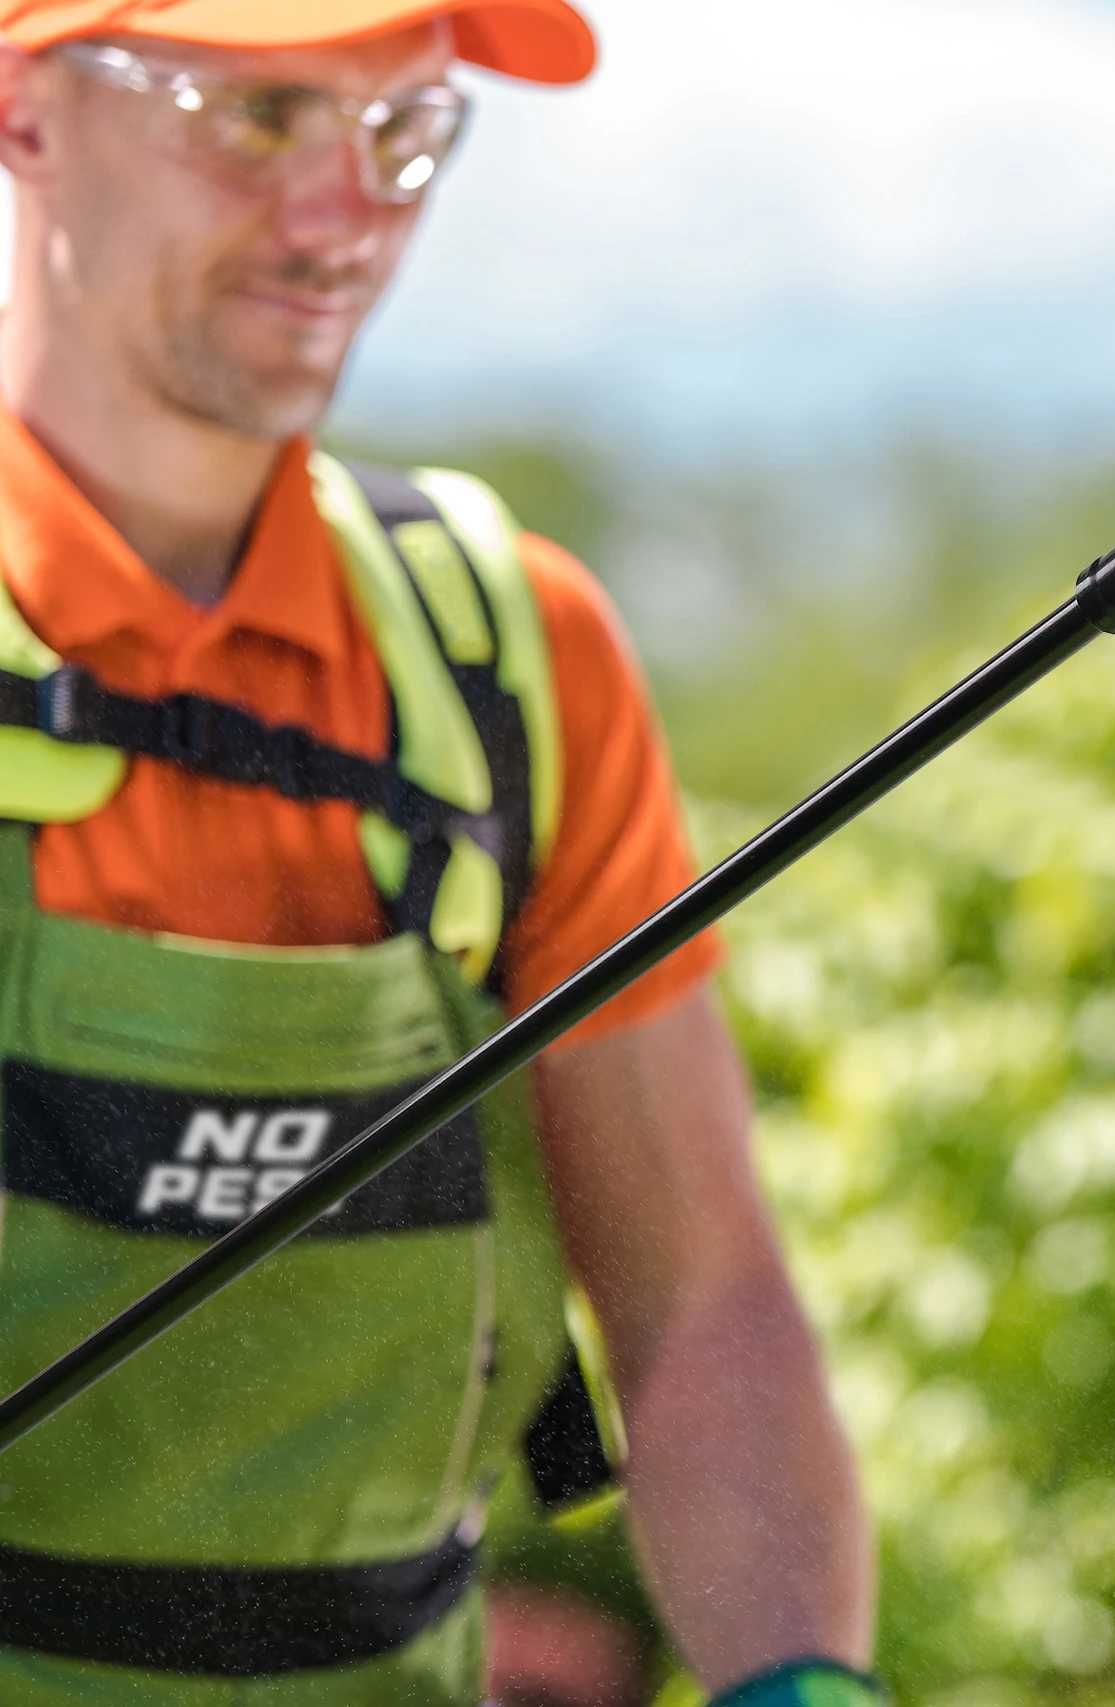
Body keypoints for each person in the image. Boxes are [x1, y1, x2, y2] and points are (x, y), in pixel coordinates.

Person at [0, 2, 878, 1702]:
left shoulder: (505, 660)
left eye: (404, 131)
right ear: (28, 108)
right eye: (255, 119)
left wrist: (795, 1679)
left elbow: (699, 1300)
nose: (347, 218)